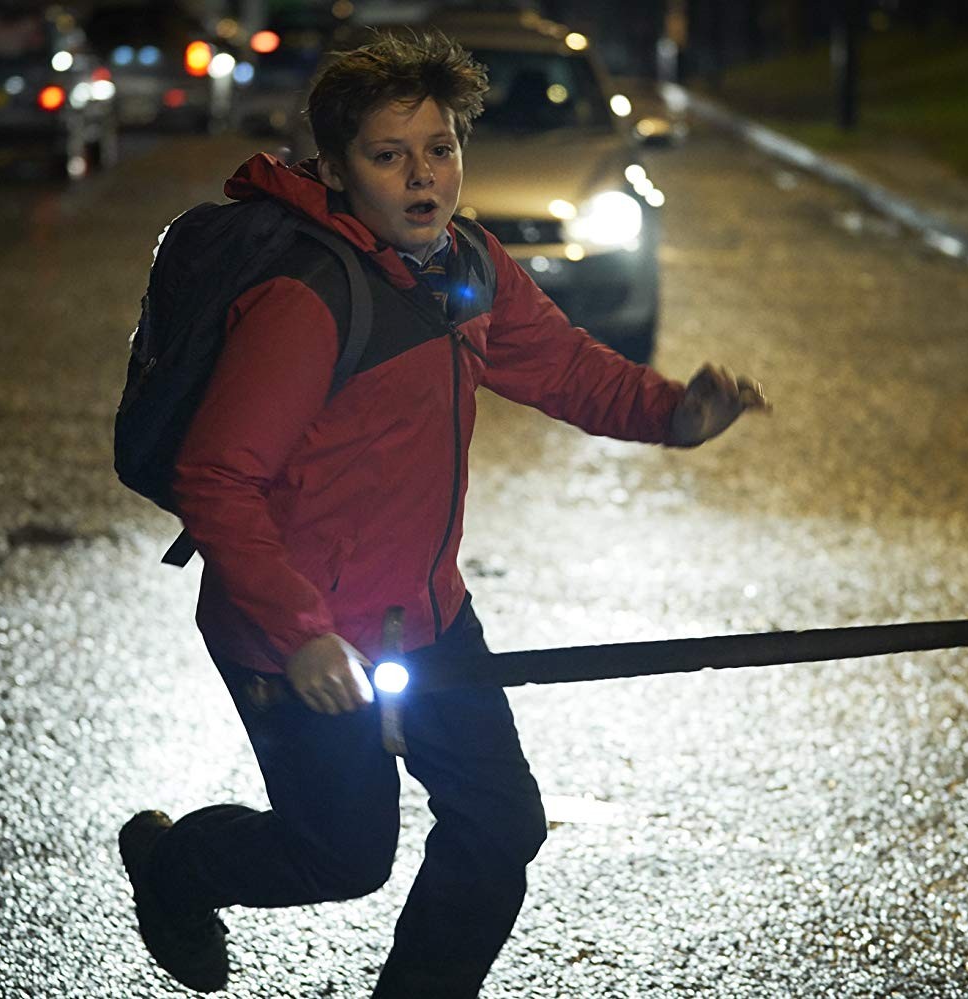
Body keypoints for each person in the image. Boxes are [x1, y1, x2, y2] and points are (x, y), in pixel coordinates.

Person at [118, 30, 770, 999]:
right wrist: (301, 636)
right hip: (297, 634)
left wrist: (673, 414)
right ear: (335, 171)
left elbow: (561, 365)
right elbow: (217, 477)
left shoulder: (464, 262)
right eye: (389, 156)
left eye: (440, 148)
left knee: (499, 826)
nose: (423, 176)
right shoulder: (308, 300)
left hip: (426, 617)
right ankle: (174, 870)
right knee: (341, 855)